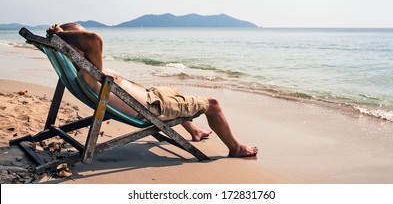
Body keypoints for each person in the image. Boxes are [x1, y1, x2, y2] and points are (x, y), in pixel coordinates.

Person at [46, 23, 258, 157]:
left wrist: (62, 36)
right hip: (150, 108)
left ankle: (194, 131)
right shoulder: (88, 73)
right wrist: (62, 35)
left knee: (175, 90)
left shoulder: (84, 70)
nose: (84, 37)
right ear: (76, 45)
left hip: (149, 97)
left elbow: (89, 41)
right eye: (79, 36)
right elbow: (94, 39)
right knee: (213, 105)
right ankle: (236, 148)